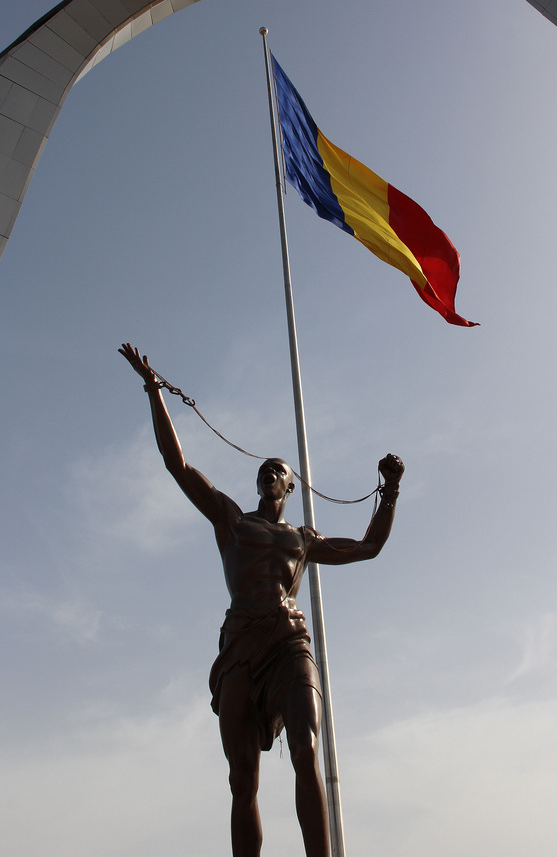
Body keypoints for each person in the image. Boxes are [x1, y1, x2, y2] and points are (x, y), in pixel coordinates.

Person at [119, 343, 404, 857]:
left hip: (289, 639)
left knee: (305, 749)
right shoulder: (231, 520)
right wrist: (153, 390)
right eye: (265, 469)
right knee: (242, 778)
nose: (270, 473)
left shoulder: (303, 539)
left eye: (279, 470)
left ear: (291, 486)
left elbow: (370, 547)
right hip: (240, 643)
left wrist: (390, 491)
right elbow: (177, 464)